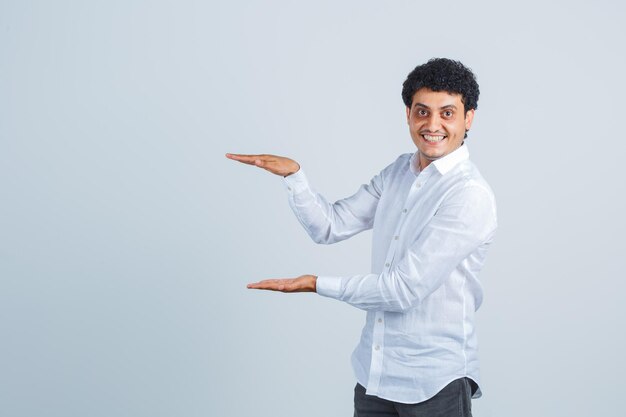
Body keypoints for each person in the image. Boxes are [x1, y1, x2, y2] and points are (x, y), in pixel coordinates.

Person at [226, 58, 497, 417]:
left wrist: (317, 284)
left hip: (434, 381)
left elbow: (403, 290)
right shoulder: (399, 171)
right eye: (422, 112)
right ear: (408, 114)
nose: (433, 125)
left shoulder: (469, 195)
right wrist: (294, 176)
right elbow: (329, 226)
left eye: (447, 113)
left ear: (469, 118)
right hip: (375, 374)